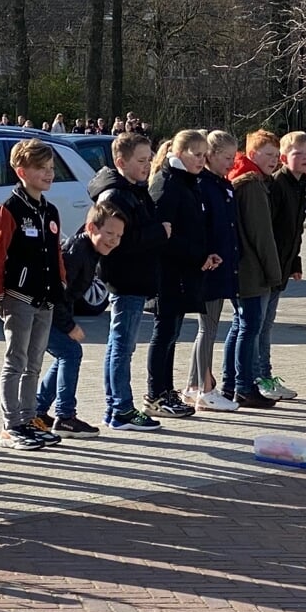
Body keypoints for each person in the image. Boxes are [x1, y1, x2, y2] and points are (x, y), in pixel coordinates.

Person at [0, 139, 69, 451]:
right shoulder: (10, 209)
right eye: (41, 169)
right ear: (22, 171)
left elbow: (56, 254)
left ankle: (30, 417)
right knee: (16, 360)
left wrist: (60, 284)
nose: (48, 174)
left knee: (34, 361)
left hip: (45, 298)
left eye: (50, 169)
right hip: (18, 297)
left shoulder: (50, 210)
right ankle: (11, 424)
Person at [87, 131, 170, 430]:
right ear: (121, 161)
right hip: (125, 277)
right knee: (122, 346)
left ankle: (116, 407)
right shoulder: (117, 194)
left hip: (136, 275)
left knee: (120, 344)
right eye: (141, 160)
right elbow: (119, 240)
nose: (147, 166)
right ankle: (120, 407)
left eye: (149, 160)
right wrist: (159, 232)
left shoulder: (134, 188)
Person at [35, 201, 125, 434]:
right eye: (109, 233)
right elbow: (57, 293)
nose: (114, 240)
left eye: (118, 235)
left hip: (50, 311)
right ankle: (65, 416)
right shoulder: (76, 252)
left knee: (67, 353)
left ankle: (38, 410)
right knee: (71, 352)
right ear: (91, 228)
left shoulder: (90, 250)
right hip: (42, 313)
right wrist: (69, 326)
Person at [146, 130, 215, 417]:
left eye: (204, 156)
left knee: (172, 333)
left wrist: (205, 253)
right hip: (168, 273)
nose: (201, 161)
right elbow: (164, 234)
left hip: (185, 271)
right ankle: (155, 395)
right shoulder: (168, 182)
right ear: (180, 152)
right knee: (163, 333)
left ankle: (166, 390)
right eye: (196, 155)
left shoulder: (188, 182)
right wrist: (196, 254)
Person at [220, 130, 284, 410]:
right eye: (269, 154)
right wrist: (274, 273)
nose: (275, 160)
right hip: (251, 269)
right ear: (253, 154)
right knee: (249, 327)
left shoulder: (239, 179)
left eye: (276, 155)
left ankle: (231, 384)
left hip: (240, 266)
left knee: (239, 326)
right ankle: (244, 387)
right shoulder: (253, 185)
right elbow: (262, 235)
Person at [188, 130, 241, 410]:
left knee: (208, 327)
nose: (231, 163)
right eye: (226, 157)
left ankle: (192, 385)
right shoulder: (204, 185)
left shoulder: (223, 185)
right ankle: (204, 389)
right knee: (207, 327)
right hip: (209, 266)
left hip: (222, 265)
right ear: (210, 155)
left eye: (234, 157)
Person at [261, 130, 306, 400]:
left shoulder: (304, 185)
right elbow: (269, 229)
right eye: (298, 154)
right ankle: (259, 377)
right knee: (259, 325)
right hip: (267, 266)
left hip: (283, 264)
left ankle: (264, 374)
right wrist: (272, 263)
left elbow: (296, 230)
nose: (305, 158)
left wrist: (295, 261)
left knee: (267, 323)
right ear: (284, 157)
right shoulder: (276, 185)